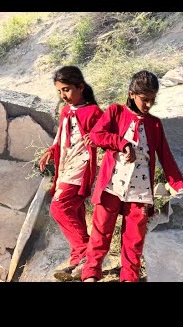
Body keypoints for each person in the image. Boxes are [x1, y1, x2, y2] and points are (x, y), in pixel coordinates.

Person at [81, 70, 183, 282]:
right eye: (144, 100)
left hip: (140, 189)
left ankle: (129, 277)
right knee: (101, 233)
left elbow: (165, 156)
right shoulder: (115, 112)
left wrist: (179, 184)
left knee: (134, 241)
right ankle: (91, 273)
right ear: (131, 94)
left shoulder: (155, 123)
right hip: (112, 184)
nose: (148, 105)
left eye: (152, 101)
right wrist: (122, 143)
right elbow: (96, 135)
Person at [39, 66, 103, 281]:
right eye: (59, 91)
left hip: (82, 167)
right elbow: (61, 138)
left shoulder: (94, 112)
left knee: (59, 207)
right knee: (74, 213)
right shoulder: (66, 110)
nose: (63, 95)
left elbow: (108, 135)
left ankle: (86, 253)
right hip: (66, 165)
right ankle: (78, 262)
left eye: (66, 89)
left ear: (80, 87)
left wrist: (96, 139)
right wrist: (50, 151)